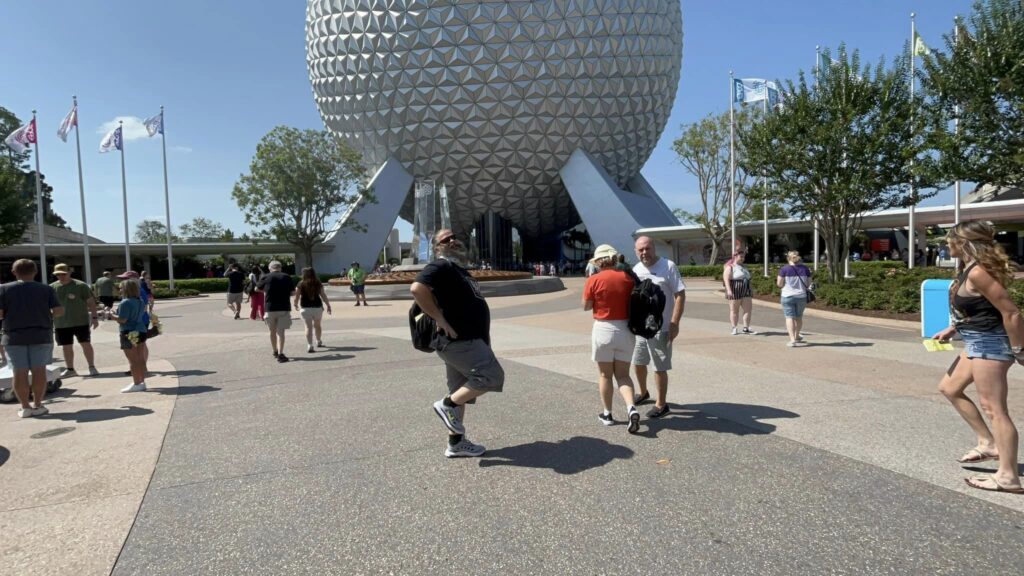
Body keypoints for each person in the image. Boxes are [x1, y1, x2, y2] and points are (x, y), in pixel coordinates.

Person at [933, 221, 1024, 494]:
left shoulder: (978, 272)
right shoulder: (967, 269)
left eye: (949, 240)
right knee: (949, 387)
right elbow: (977, 308)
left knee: (995, 409)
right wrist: (953, 328)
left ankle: (1008, 477)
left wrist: (1019, 350)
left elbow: (1011, 313)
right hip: (975, 339)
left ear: (963, 242)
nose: (945, 244)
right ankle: (988, 443)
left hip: (991, 343)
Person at [411, 229, 504, 458]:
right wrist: (439, 318)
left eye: (453, 237)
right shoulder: (441, 266)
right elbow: (417, 288)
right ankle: (446, 404)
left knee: (460, 388)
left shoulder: (458, 270)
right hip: (459, 340)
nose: (452, 241)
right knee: (491, 376)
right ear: (436, 248)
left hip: (463, 340)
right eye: (445, 240)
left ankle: (456, 442)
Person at [583, 244, 640, 433]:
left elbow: (586, 305)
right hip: (626, 328)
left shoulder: (594, 279)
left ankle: (607, 414)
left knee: (605, 375)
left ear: (599, 261)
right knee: (623, 375)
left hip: (603, 329)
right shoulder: (627, 278)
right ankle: (631, 408)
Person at [0, 259, 63, 417]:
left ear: (14, 272)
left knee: (18, 372)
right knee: (39, 371)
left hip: (13, 336)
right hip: (41, 334)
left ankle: (25, 407)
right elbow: (59, 311)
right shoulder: (46, 289)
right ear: (35, 271)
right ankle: (38, 404)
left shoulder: (3, 289)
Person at [632, 236, 686, 419]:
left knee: (659, 366)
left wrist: (674, 323)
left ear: (654, 248)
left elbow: (680, 295)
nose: (644, 252)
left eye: (647, 248)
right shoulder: (636, 269)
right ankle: (643, 392)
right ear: (635, 251)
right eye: (640, 250)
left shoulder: (668, 266)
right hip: (640, 328)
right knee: (638, 362)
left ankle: (661, 404)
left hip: (661, 328)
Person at [50, 263, 99, 377]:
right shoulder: (51, 287)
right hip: (61, 323)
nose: (61, 276)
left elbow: (91, 302)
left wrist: (95, 317)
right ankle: (71, 369)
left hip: (80, 321)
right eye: (58, 274)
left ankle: (92, 367)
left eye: (63, 274)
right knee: (66, 346)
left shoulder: (80, 285)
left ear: (69, 272)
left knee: (85, 343)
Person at [111, 279, 149, 392]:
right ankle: (141, 382)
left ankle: (136, 383)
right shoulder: (140, 301)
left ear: (126, 289)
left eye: (121, 288)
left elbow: (122, 320)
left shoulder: (125, 302)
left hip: (129, 331)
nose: (120, 290)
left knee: (133, 360)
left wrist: (111, 315)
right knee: (140, 357)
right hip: (141, 330)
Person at [257, 260, 295, 362]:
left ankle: (275, 351)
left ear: (270, 268)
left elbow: (257, 289)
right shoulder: (286, 277)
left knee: (272, 331)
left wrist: (266, 290)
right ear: (280, 268)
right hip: (284, 308)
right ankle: (281, 354)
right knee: (281, 332)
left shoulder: (266, 277)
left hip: (269, 308)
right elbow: (292, 293)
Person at [777, 251, 812, 347]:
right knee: (799, 317)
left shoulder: (784, 269)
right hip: (801, 296)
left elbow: (779, 284)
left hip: (787, 296)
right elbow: (809, 284)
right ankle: (797, 335)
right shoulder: (805, 269)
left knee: (789, 317)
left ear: (788, 258)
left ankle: (792, 340)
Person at [293, 267, 332, 353]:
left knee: (308, 327)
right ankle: (318, 341)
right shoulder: (318, 283)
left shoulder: (300, 283)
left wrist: (295, 304)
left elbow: (297, 296)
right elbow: (323, 295)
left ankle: (310, 345)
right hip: (317, 307)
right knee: (317, 325)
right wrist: (328, 305)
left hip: (305, 308)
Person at [723, 251, 755, 335]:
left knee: (748, 310)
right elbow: (726, 279)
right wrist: (729, 290)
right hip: (735, 290)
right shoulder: (730, 267)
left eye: (743, 257)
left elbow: (748, 279)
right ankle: (734, 328)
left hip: (746, 291)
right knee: (734, 310)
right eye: (741, 256)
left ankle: (746, 328)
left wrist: (751, 289)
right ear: (735, 256)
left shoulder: (744, 267)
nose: (743, 258)